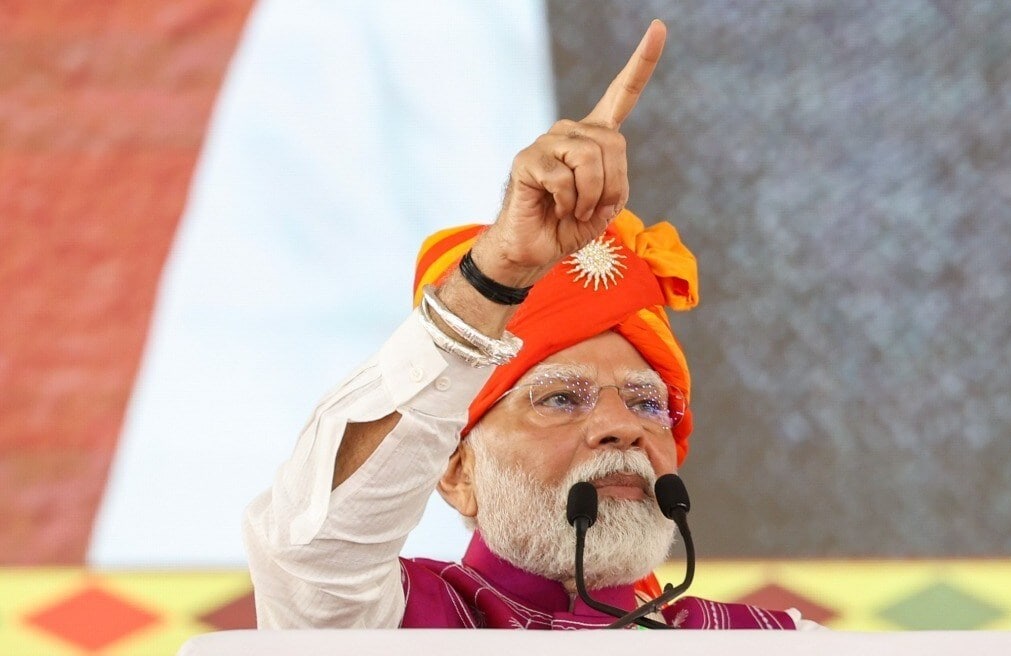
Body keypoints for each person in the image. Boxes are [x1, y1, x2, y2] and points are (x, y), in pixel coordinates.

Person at [244, 20, 817, 630]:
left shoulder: (773, 643)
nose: (623, 428)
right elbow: (310, 550)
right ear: (457, 472)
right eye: (561, 398)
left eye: (649, 404)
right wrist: (501, 270)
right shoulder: (388, 625)